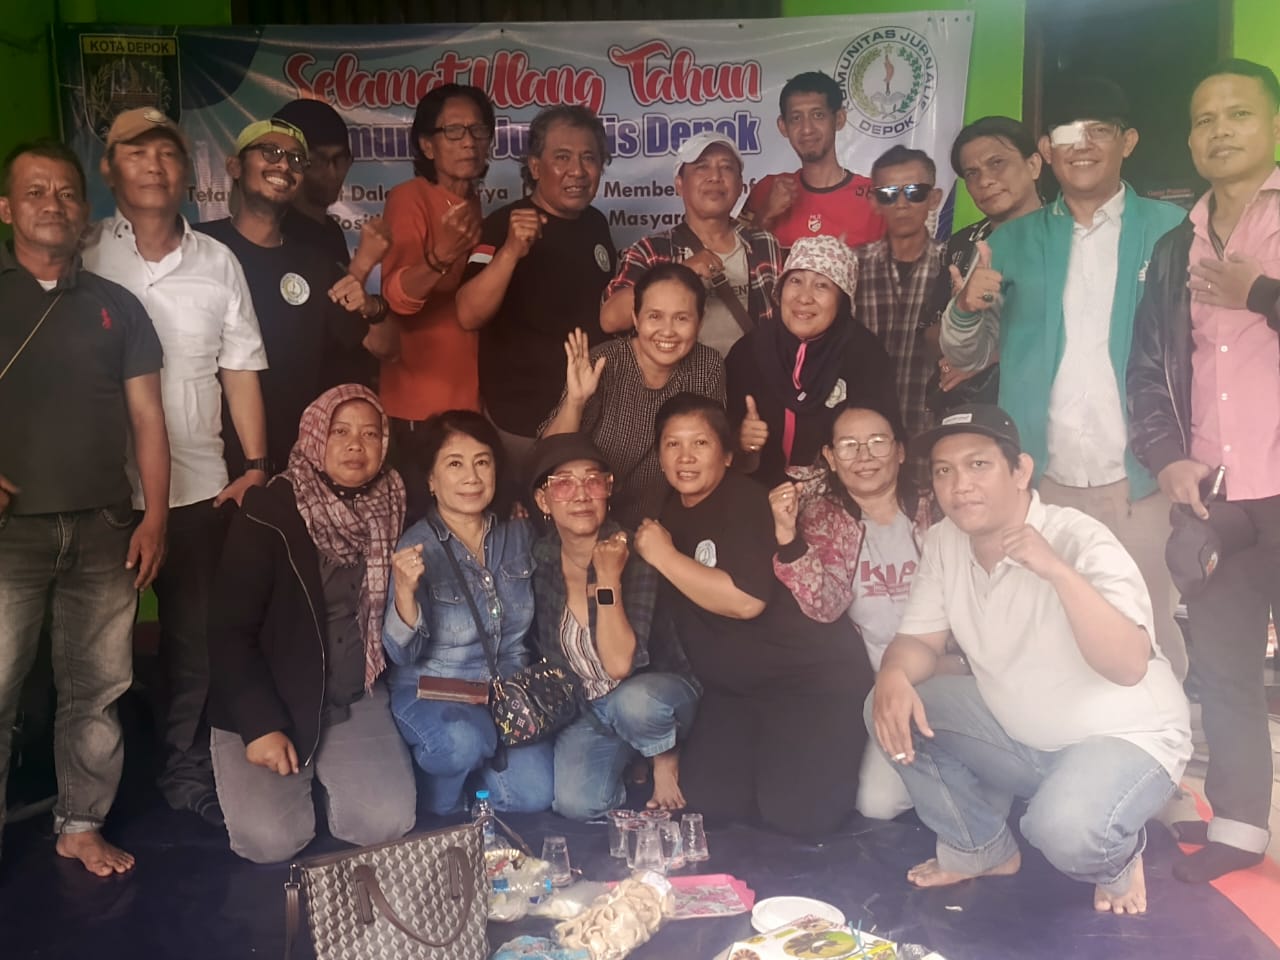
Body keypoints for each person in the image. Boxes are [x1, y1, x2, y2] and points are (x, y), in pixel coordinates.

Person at [866, 405, 1190, 915]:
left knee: (1062, 831)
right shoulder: (946, 541)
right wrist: (892, 672)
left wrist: (1056, 571)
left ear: (1020, 471)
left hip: (1126, 736)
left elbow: (1129, 666)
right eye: (944, 470)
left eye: (978, 465)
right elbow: (920, 642)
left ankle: (1116, 856)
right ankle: (980, 849)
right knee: (887, 701)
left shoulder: (1078, 538)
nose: (960, 485)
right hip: (1022, 737)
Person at [940, 78, 1189, 681]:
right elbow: (966, 352)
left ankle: (1158, 736)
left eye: (1100, 131)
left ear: (1128, 141)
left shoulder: (1173, 229)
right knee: (1048, 630)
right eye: (1068, 135)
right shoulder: (1012, 240)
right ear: (1048, 150)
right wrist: (966, 307)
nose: (1083, 145)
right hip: (1043, 479)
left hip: (1141, 476)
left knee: (1148, 630)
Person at [82, 107, 270, 826]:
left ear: (189, 172)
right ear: (110, 170)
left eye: (166, 153)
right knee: (96, 651)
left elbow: (240, 369)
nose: (153, 165)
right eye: (136, 153)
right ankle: (90, 794)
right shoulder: (85, 252)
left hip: (197, 489)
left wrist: (256, 464)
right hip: (100, 489)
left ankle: (187, 773)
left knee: (197, 642)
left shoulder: (217, 262)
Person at [1128, 58, 1280, 883]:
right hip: (1218, 496)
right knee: (1224, 671)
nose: (1219, 130)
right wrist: (1167, 458)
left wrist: (1262, 294)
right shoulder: (1172, 246)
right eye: (1204, 118)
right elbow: (1149, 368)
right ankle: (1241, 830)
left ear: (1276, 125)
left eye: (1239, 113)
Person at [0, 140, 168, 875]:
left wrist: (155, 517)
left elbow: (148, 420)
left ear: (85, 211)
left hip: (104, 527)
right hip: (9, 536)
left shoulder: (116, 307)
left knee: (98, 690)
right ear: (6, 209)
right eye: (35, 191)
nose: (53, 204)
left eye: (67, 193)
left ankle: (80, 823)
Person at [635, 394, 874, 839]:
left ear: (727, 455)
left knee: (797, 816)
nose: (685, 457)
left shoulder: (745, 502)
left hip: (810, 683)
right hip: (735, 693)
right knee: (711, 803)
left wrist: (663, 556)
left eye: (700, 443)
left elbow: (746, 600)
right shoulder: (667, 509)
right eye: (672, 444)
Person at [207, 385, 416, 863]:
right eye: (340, 432)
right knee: (269, 842)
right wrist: (259, 724)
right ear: (315, 436)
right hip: (274, 697)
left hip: (351, 693)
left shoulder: (396, 499)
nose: (355, 445)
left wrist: (517, 502)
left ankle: (332, 772)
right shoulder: (269, 509)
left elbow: (463, 484)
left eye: (370, 434)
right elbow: (228, 630)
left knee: (385, 822)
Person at [769, 402, 952, 820]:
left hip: (949, 671)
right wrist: (788, 536)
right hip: (883, 688)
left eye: (877, 442)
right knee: (877, 805)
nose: (864, 457)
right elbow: (825, 606)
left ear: (901, 451)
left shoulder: (936, 508)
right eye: (849, 446)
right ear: (830, 457)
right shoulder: (823, 520)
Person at [382, 411, 552, 814]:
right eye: (455, 464)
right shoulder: (416, 545)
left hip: (506, 693)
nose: (472, 477)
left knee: (534, 796)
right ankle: (440, 799)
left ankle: (475, 781)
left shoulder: (519, 531)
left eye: (482, 462)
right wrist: (404, 591)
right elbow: (401, 654)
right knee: (461, 742)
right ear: (431, 479)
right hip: (434, 692)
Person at [528, 433, 700, 820]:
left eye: (593, 481)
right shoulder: (541, 557)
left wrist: (607, 580)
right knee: (576, 805)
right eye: (563, 484)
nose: (580, 495)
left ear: (608, 490)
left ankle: (664, 754)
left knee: (634, 704)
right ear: (543, 500)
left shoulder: (635, 551)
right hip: (589, 705)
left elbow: (620, 664)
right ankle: (630, 758)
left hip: (654, 694)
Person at [198, 118, 384, 476]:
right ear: (234, 166)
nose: (284, 164)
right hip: (203, 468)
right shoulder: (197, 247)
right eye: (270, 152)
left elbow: (383, 345)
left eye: (297, 159)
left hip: (292, 470)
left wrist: (374, 306)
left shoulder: (315, 264)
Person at [457, 105, 617, 485]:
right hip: (523, 424)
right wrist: (512, 251)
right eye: (562, 157)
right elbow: (467, 314)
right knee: (531, 515)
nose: (577, 171)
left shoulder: (595, 223)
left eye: (589, 158)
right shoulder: (503, 225)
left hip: (590, 414)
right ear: (534, 166)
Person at [375, 84, 492, 524]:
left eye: (478, 130)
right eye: (454, 131)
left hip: (467, 404)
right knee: (422, 533)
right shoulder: (409, 198)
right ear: (427, 145)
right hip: (417, 407)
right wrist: (440, 257)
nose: (469, 142)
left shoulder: (473, 204)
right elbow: (398, 298)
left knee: (466, 528)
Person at [542, 262, 725, 529]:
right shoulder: (604, 363)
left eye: (681, 318)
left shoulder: (707, 366)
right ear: (636, 319)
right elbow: (548, 460)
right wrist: (575, 403)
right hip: (588, 523)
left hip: (663, 527)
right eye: (655, 316)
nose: (668, 331)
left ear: (700, 321)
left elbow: (711, 457)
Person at [725, 234, 899, 488]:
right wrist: (739, 439)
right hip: (760, 495)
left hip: (842, 495)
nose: (804, 297)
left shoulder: (865, 355)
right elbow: (718, 438)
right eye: (795, 281)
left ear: (842, 299)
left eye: (821, 285)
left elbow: (884, 442)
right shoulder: (748, 352)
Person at [601, 132, 782, 357]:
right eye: (702, 166)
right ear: (679, 184)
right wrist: (678, 273)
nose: (715, 176)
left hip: (753, 377)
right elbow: (610, 320)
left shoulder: (764, 244)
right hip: (682, 378)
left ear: (740, 185)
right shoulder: (651, 250)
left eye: (726, 167)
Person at [274, 97, 393, 388]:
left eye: (339, 159)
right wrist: (363, 263)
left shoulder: (329, 230)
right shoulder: (278, 233)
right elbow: (317, 326)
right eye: (318, 161)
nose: (332, 172)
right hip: (307, 398)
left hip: (345, 392)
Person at [927, 116, 1043, 412]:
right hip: (971, 411)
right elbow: (929, 332)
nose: (985, 181)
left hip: (1044, 404)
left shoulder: (1067, 236)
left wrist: (988, 355)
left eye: (997, 163)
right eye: (972, 173)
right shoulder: (962, 245)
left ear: (1033, 165)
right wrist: (961, 313)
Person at [852, 146, 948, 467]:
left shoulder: (954, 263)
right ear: (874, 202)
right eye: (889, 194)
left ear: (934, 198)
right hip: (866, 444)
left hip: (934, 435)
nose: (902, 203)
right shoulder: (853, 265)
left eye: (915, 192)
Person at [740, 71, 884, 250]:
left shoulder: (874, 198)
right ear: (783, 126)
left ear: (839, 119)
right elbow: (735, 258)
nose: (807, 129)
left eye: (818, 115)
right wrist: (764, 215)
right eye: (796, 118)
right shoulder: (767, 190)